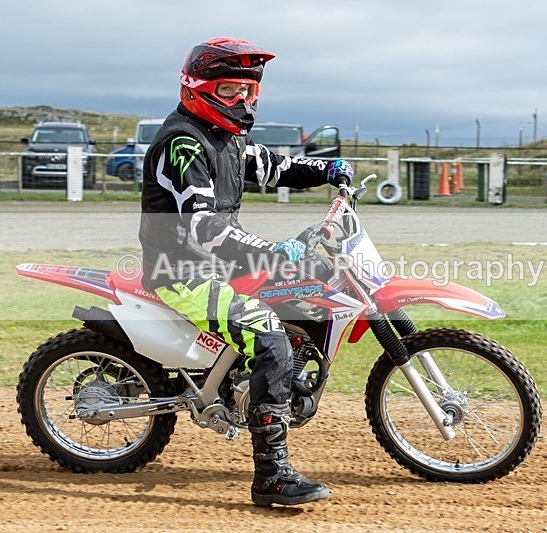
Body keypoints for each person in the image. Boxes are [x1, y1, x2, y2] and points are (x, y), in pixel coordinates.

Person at [138, 37, 353, 506]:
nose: (241, 100)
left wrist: (328, 169)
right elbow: (204, 227)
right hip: (184, 271)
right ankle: (271, 476)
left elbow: (275, 166)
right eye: (229, 90)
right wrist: (273, 251)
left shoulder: (227, 138)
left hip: (221, 261)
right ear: (197, 88)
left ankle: (275, 385)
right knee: (270, 340)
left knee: (312, 282)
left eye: (248, 91)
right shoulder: (183, 144)